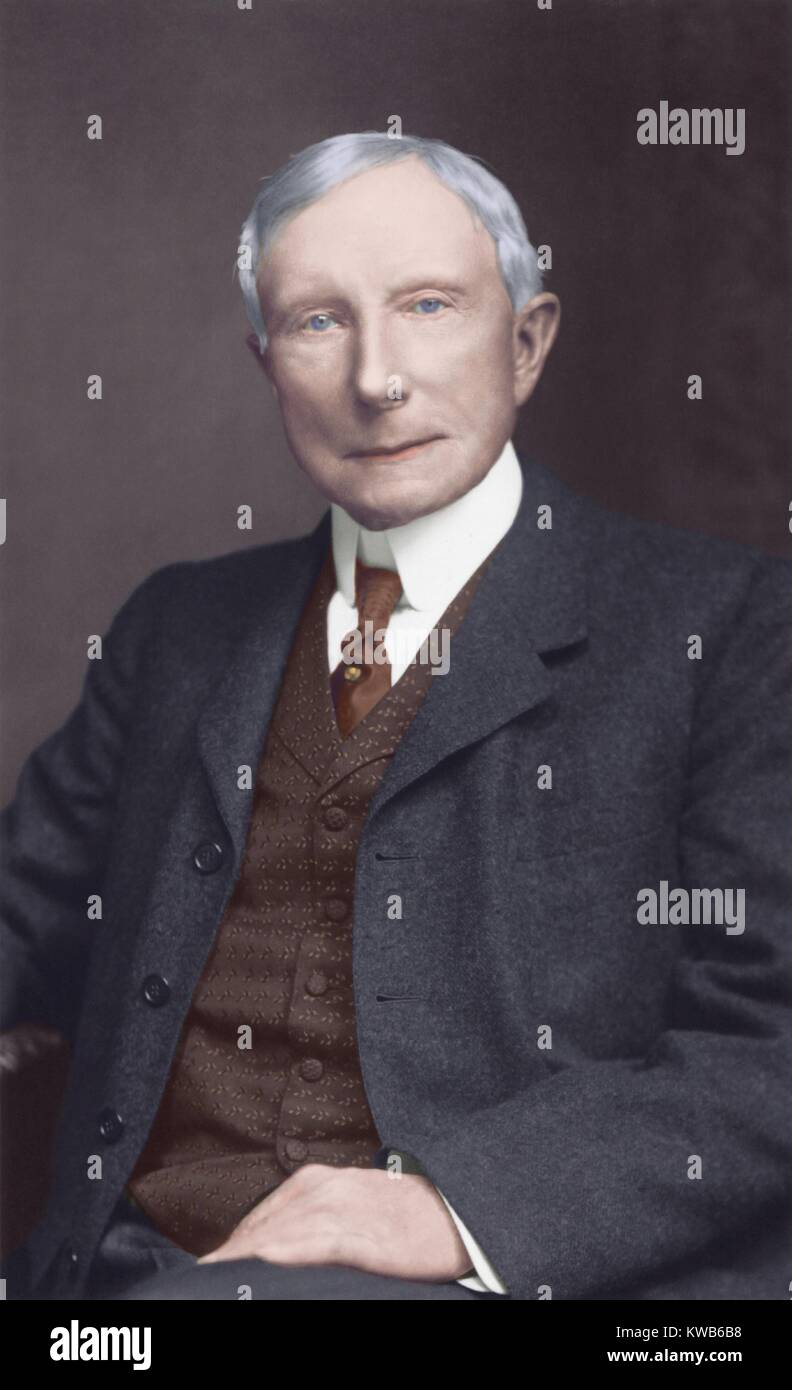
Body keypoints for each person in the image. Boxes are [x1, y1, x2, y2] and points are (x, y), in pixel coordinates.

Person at [2, 132, 790, 1302]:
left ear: (527, 343)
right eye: (319, 322)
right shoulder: (177, 628)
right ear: (266, 360)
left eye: (428, 305)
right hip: (120, 1280)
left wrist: (458, 1204)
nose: (377, 376)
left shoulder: (728, 628)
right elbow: (25, 919)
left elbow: (769, 1045)